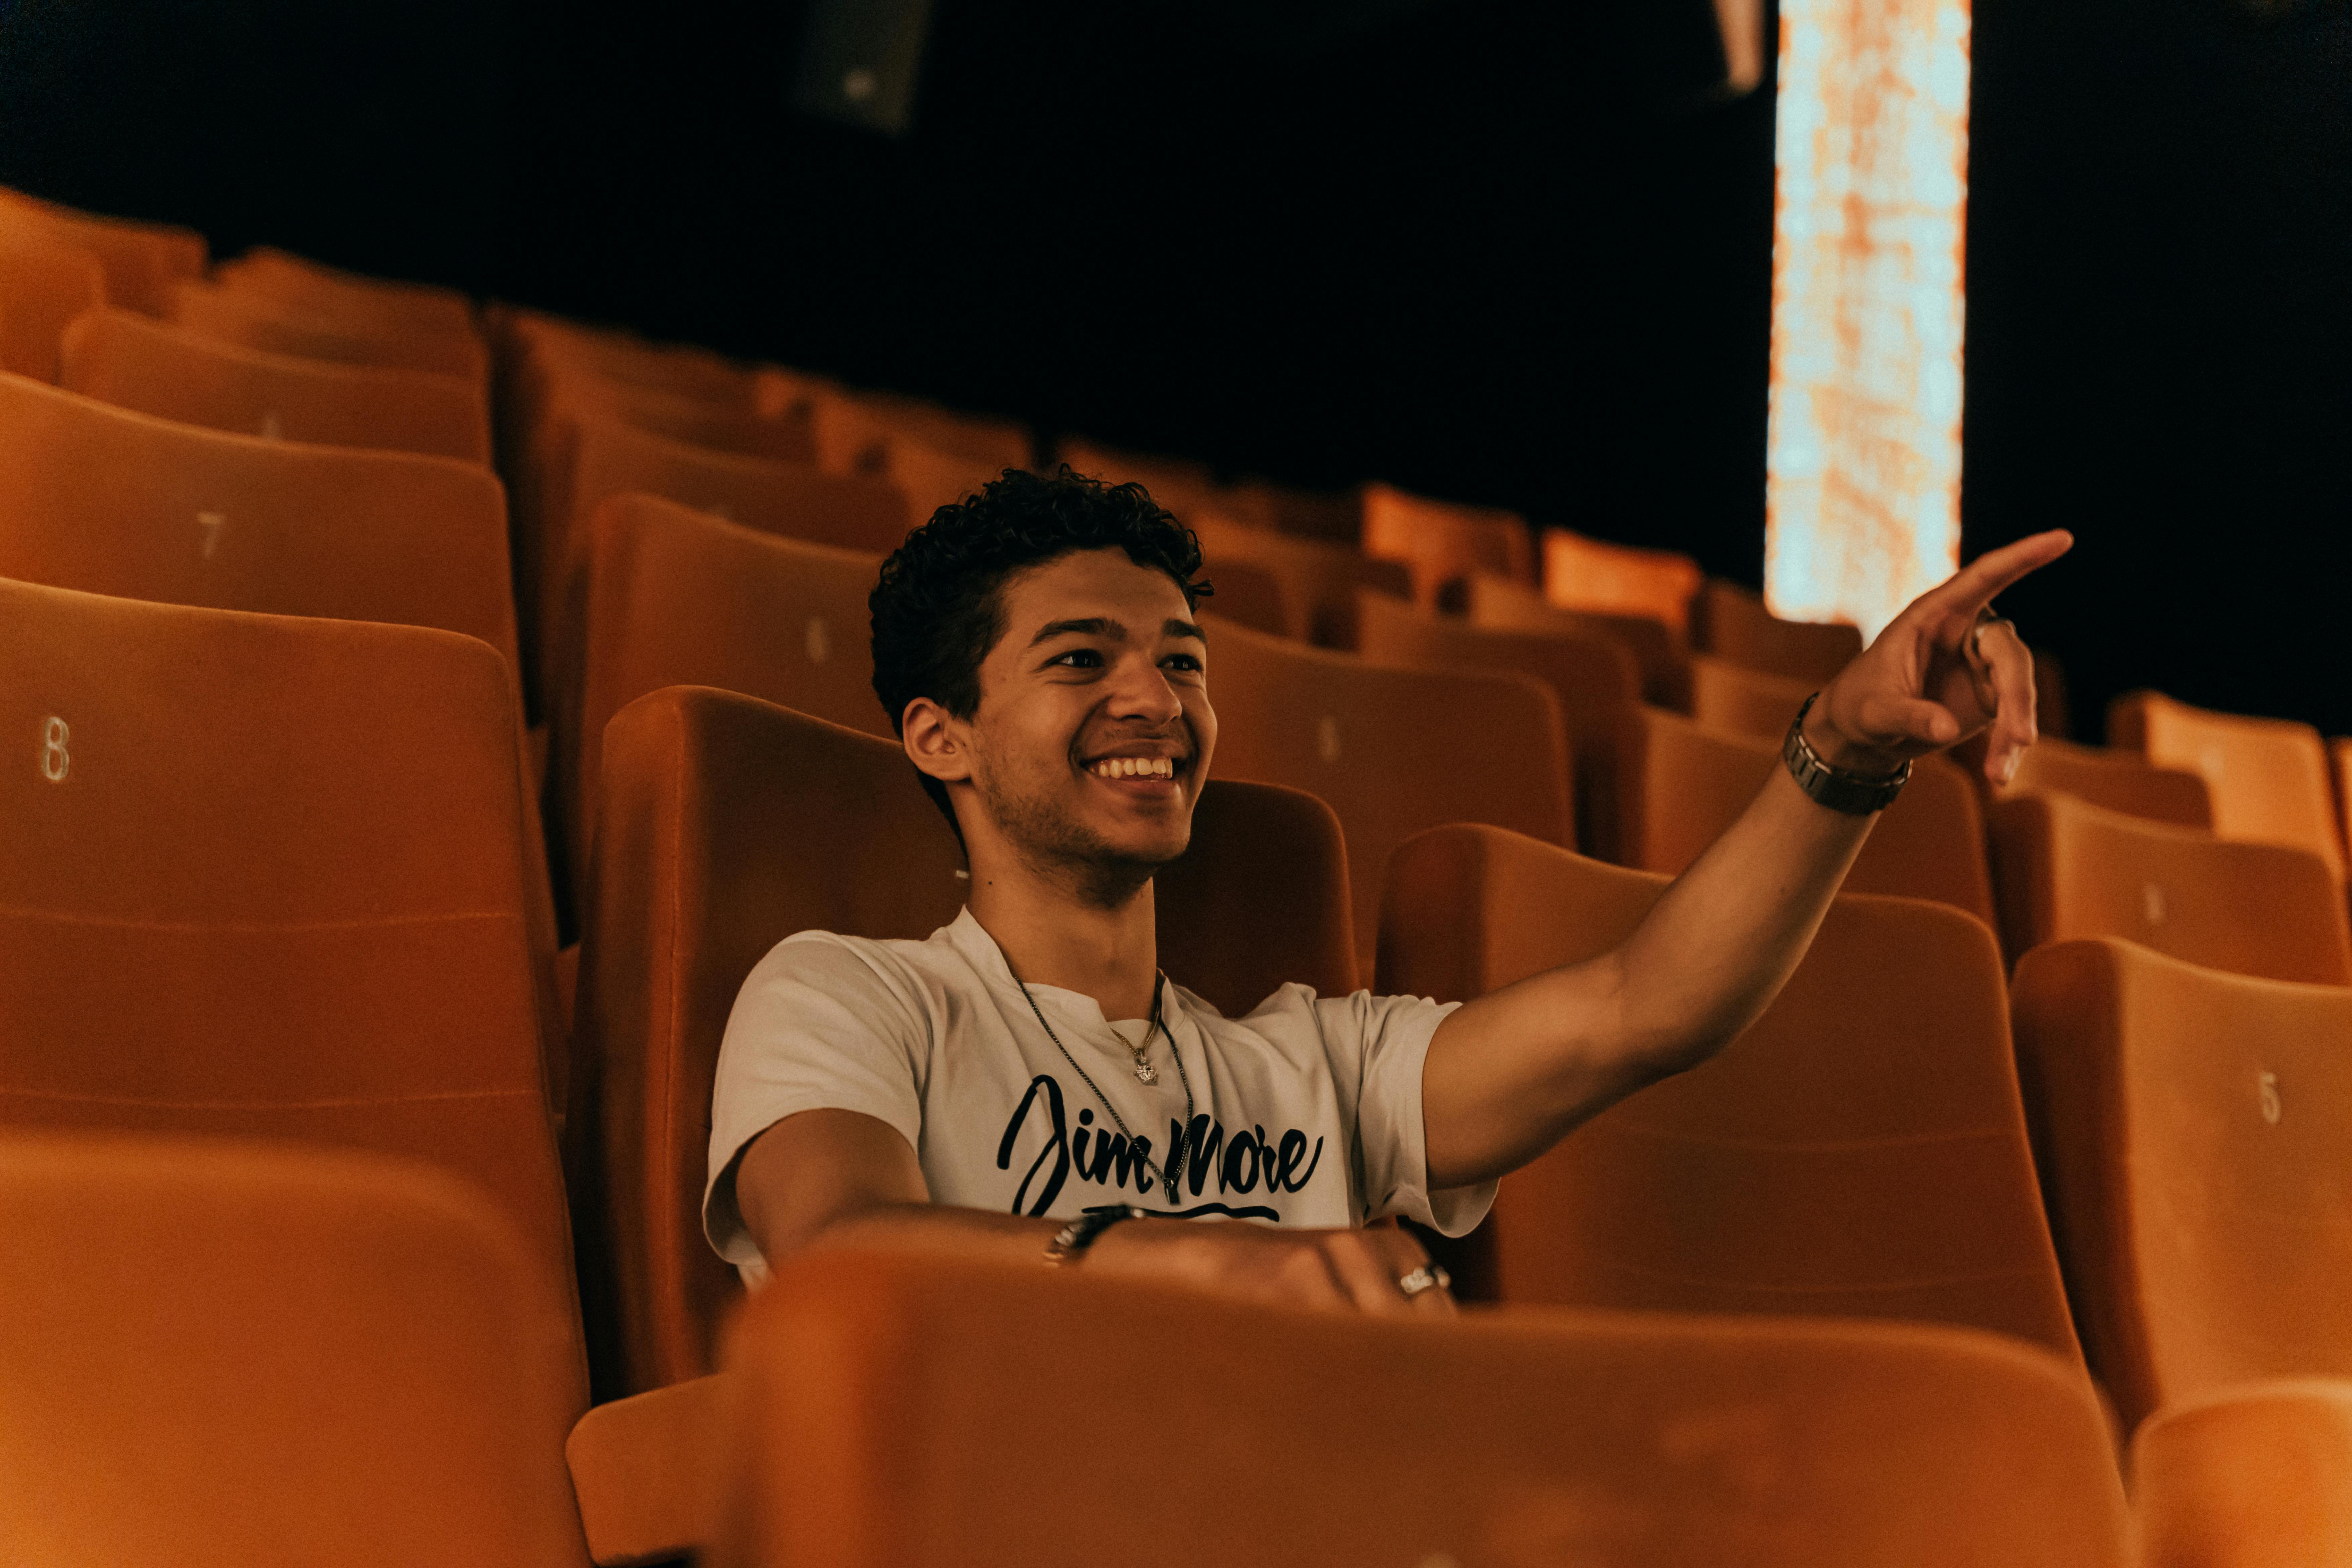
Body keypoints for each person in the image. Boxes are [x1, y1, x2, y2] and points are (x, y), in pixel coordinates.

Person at [704, 467, 2070, 1317]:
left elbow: (1646, 1006)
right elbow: (838, 1249)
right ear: (939, 734)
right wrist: (1205, 1261)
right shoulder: (851, 992)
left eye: (1183, 660)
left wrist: (1843, 746)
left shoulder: (1314, 1060)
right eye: (1081, 659)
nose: (1156, 697)